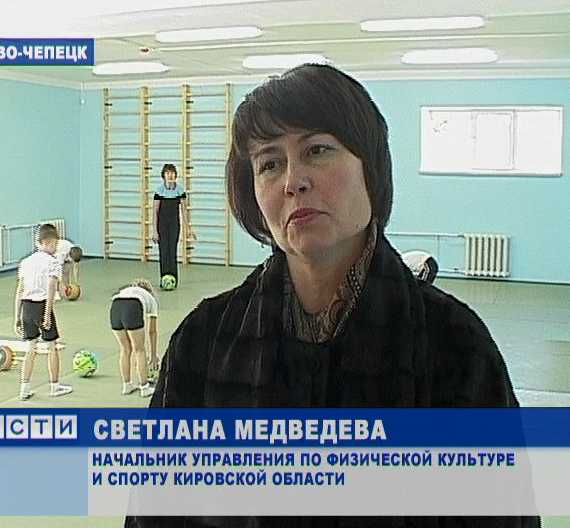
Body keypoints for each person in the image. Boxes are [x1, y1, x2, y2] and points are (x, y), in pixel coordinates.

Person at [126, 64, 539, 527]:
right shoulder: (203, 342)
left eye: (317, 150)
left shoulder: (456, 346)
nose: (293, 181)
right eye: (269, 163)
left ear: (371, 169)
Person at [14, 223, 72, 400]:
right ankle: (55, 386)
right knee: (52, 346)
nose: (56, 247)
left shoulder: (26, 262)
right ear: (50, 242)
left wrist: (17, 317)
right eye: (55, 244)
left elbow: (20, 290)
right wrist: (47, 314)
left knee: (31, 348)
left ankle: (24, 388)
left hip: (26, 307)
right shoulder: (53, 263)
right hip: (42, 306)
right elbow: (51, 289)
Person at [110, 278, 158, 397]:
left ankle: (127, 385)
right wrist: (153, 355)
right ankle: (144, 387)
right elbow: (152, 331)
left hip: (115, 306)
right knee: (139, 350)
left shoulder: (125, 291)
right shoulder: (151, 298)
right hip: (132, 306)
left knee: (125, 349)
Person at [152, 163, 196, 288]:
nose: (170, 175)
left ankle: (173, 279)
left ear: (175, 175)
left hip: (174, 224)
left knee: (172, 250)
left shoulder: (180, 190)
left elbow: (184, 211)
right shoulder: (159, 191)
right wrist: (154, 231)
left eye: (172, 173)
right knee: (163, 251)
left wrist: (189, 229)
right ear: (163, 175)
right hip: (162, 225)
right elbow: (155, 211)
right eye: (167, 173)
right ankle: (164, 278)